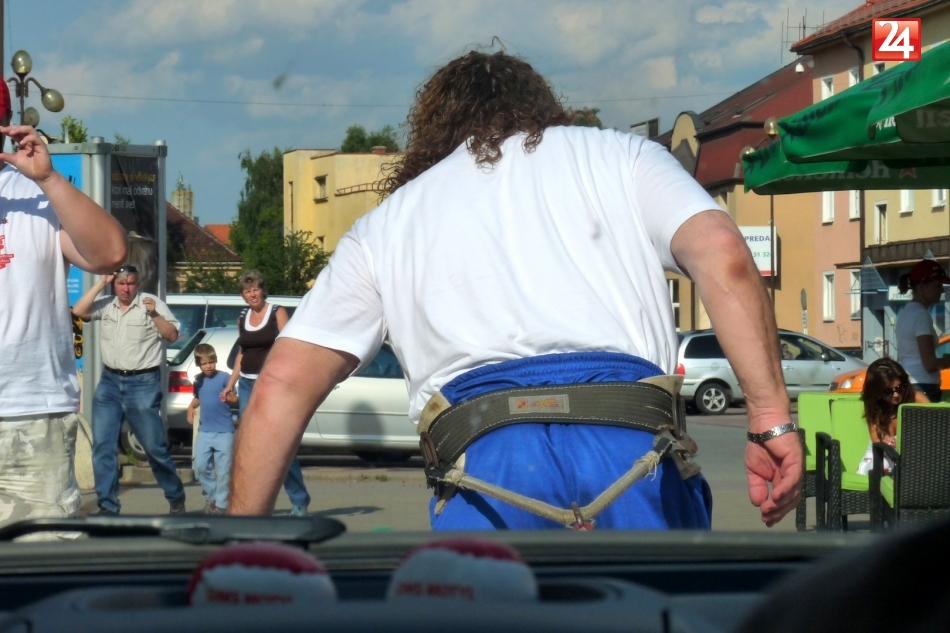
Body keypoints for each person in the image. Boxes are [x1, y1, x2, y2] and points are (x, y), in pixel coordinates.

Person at [229, 49, 801, 529]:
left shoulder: (387, 226)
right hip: (634, 454)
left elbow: (281, 384)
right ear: (542, 107)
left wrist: (238, 554)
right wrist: (770, 416)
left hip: (485, 471)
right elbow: (725, 255)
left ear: (433, 132)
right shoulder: (626, 158)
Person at [0, 80, 127, 527]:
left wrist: (50, 179)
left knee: (37, 561)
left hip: (30, 414)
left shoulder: (36, 194)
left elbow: (110, 254)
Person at [72, 267, 187, 515]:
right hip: (110, 382)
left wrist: (154, 314)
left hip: (142, 383)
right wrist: (100, 283)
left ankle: (176, 497)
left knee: (153, 448)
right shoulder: (107, 304)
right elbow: (79, 312)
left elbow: (172, 335)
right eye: (121, 284)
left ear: (138, 284)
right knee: (102, 447)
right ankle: (108, 506)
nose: (126, 289)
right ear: (114, 285)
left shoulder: (150, 303)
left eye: (131, 284)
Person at [223, 270, 311, 517]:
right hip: (247, 384)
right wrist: (230, 384)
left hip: (271, 385)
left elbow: (288, 348)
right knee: (249, 447)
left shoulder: (276, 312)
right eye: (247, 291)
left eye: (255, 289)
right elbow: (242, 353)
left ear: (263, 290)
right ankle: (255, 507)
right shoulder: (243, 317)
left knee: (278, 445)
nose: (252, 294)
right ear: (242, 295)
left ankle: (299, 499)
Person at [856, 358, 928, 476]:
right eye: (888, 392)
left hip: (907, 462)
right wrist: (885, 442)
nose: (896, 395)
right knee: (883, 465)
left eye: (900, 388)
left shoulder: (916, 399)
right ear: (877, 392)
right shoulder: (876, 408)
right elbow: (877, 445)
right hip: (879, 458)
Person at [187, 343, 236, 515]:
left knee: (223, 471)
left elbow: (235, 399)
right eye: (204, 363)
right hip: (205, 431)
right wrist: (190, 407)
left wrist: (230, 397)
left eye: (211, 362)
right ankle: (211, 497)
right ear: (198, 364)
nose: (208, 366)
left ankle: (221, 504)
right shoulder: (198, 381)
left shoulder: (224, 377)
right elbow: (198, 397)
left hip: (225, 431)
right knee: (200, 466)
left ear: (216, 361)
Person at [895, 259, 950, 404]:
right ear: (921, 286)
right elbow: (930, 364)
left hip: (910, 383)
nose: (942, 290)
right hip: (923, 385)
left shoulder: (906, 312)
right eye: (937, 285)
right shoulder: (920, 315)